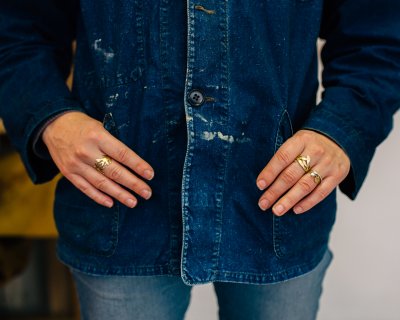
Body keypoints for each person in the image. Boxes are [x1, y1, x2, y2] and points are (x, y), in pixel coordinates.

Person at [0, 1, 399, 319]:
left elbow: (379, 35)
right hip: (121, 218)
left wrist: (343, 130)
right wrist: (51, 118)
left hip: (280, 212)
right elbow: (16, 28)